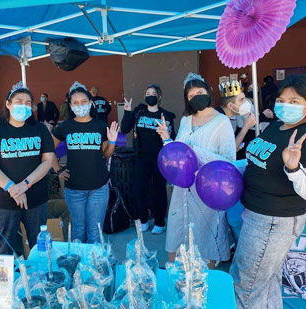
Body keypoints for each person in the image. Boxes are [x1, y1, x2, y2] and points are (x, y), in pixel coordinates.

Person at [230, 75, 306, 309]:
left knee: (246, 287)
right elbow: (257, 161)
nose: (285, 105)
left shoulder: (303, 136)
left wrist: (293, 167)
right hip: (256, 216)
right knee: (267, 283)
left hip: (274, 219)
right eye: (282, 100)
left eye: (294, 101)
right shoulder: (275, 126)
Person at [156, 73, 236, 268]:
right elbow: (179, 152)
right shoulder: (185, 120)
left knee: (205, 234)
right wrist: (167, 140)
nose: (196, 97)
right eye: (191, 96)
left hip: (207, 189)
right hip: (182, 188)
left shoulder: (221, 121)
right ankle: (175, 275)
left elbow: (229, 161)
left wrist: (196, 153)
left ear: (208, 92)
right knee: (177, 230)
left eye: (199, 92)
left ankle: (205, 280)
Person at [52, 81, 118, 243]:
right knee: (78, 231)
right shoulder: (65, 127)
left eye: (83, 102)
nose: (80, 105)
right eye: (75, 103)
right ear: (70, 105)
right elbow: (49, 150)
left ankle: (94, 268)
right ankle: (80, 267)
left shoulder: (100, 126)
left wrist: (112, 142)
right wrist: (58, 170)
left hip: (99, 187)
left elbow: (106, 154)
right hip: (74, 189)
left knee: (95, 232)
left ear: (90, 103)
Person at [0, 82, 54, 254]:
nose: (24, 106)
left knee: (39, 248)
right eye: (19, 101)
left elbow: (47, 161)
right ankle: (6, 281)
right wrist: (12, 188)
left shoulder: (40, 129)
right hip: (4, 201)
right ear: (8, 104)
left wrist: (24, 185)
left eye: (28, 103)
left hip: (36, 199)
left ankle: (40, 280)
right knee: (3, 249)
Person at [121, 84, 176, 234]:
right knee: (140, 190)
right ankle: (143, 219)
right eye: (147, 93)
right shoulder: (139, 113)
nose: (150, 95)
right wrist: (127, 111)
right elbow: (125, 129)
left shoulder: (166, 116)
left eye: (153, 93)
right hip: (141, 158)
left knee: (159, 191)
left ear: (159, 96)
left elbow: (173, 138)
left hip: (160, 159)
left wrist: (167, 133)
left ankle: (159, 221)